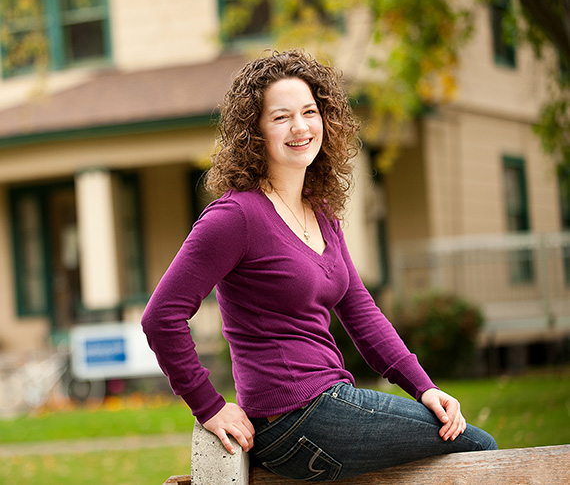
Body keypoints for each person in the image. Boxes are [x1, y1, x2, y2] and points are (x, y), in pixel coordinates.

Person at [141, 49, 497, 482]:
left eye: (310, 112)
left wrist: (424, 386)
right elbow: (161, 316)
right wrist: (208, 405)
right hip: (296, 418)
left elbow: (361, 312)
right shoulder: (235, 217)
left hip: (328, 406)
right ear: (254, 132)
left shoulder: (320, 212)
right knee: (480, 449)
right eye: (281, 117)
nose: (300, 127)